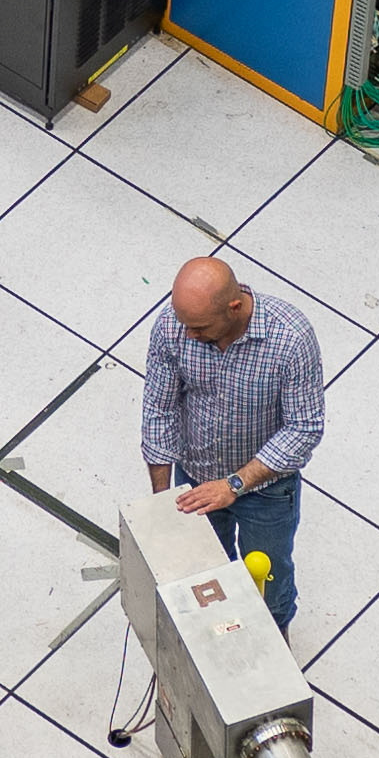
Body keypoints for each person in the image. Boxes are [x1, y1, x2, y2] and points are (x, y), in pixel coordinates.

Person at [137, 250, 329, 633]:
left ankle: (274, 643)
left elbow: (304, 428)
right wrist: (163, 502)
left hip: (266, 491)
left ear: (235, 307)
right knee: (203, 574)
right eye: (184, 324)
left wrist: (234, 485)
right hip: (195, 477)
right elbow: (159, 410)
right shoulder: (174, 326)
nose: (189, 335)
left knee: (268, 582)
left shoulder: (290, 339)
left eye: (201, 328)